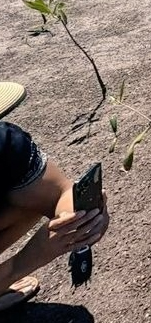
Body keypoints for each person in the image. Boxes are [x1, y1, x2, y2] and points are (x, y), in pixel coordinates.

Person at [0, 81, 110, 312]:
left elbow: (59, 192)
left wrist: (80, 217)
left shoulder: (5, 142)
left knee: (30, 200)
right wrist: (23, 263)